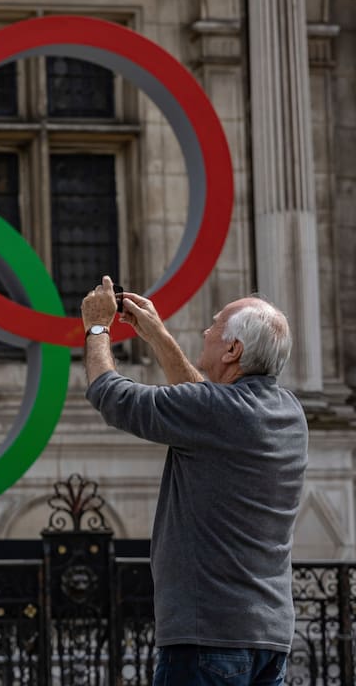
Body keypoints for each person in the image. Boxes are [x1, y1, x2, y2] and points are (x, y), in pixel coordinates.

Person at [80, 276, 307, 686]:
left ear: (233, 350)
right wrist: (157, 335)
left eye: (215, 325)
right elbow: (207, 403)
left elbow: (112, 396)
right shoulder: (290, 414)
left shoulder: (214, 413)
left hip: (207, 638)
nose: (206, 331)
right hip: (269, 640)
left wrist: (97, 327)